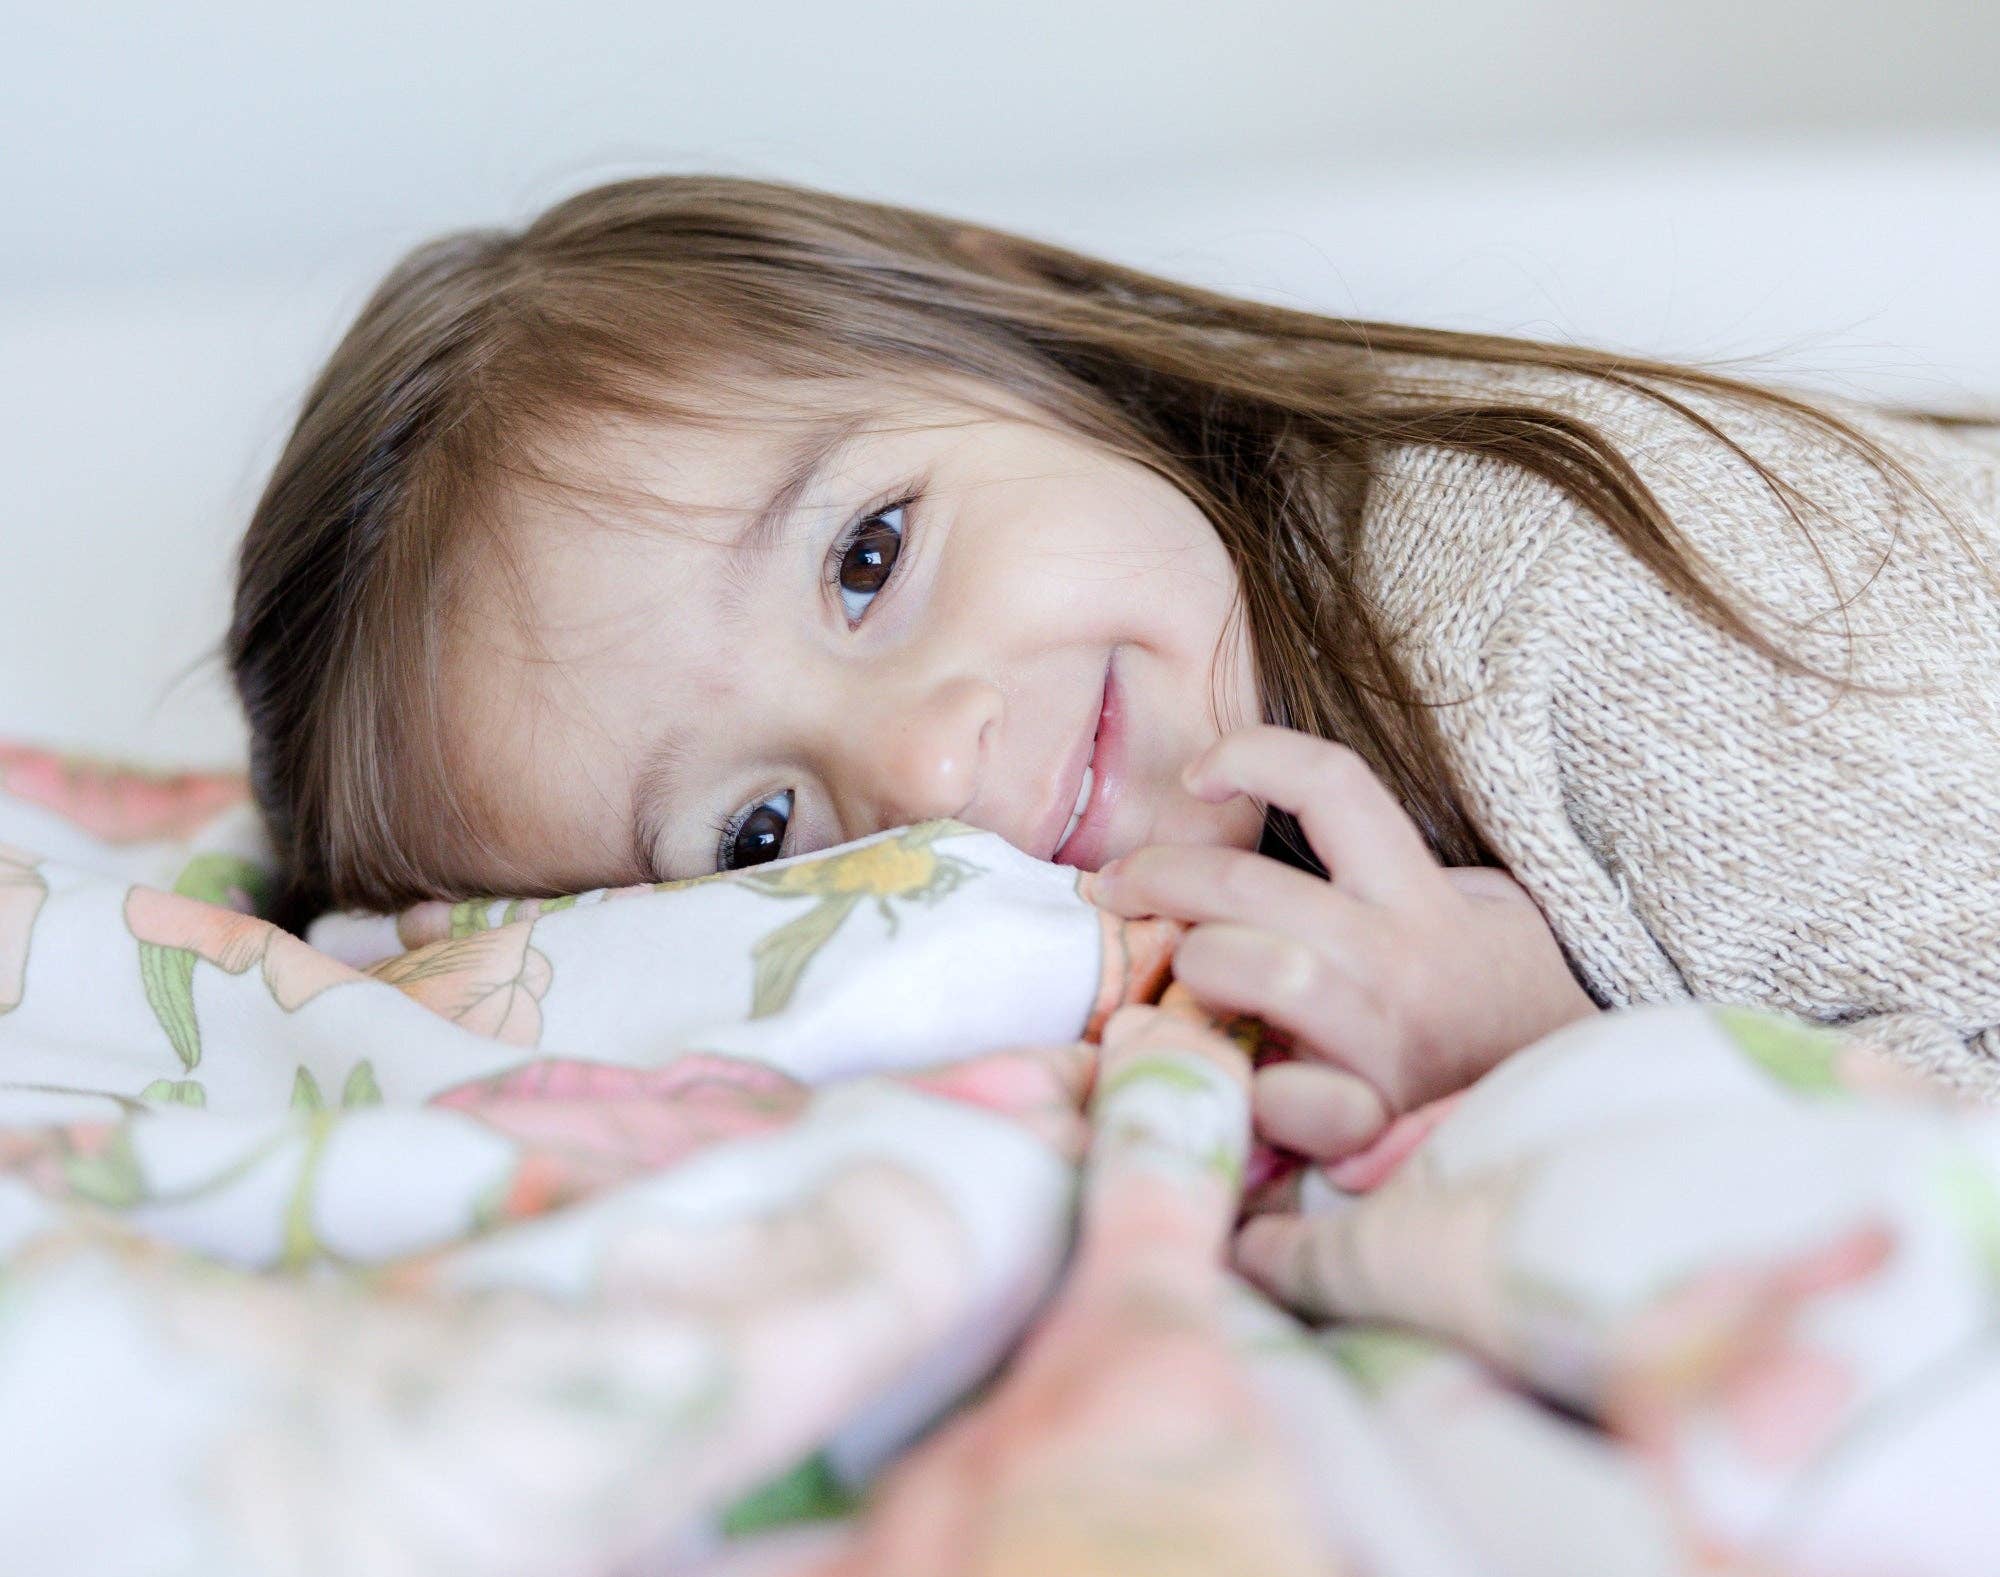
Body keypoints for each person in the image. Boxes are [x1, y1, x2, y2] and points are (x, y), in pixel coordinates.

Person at [227, 173, 2000, 1178]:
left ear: (1010, 336)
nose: (923, 773)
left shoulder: (1588, 620)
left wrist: (1551, 1054)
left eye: (869, 556)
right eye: (754, 834)